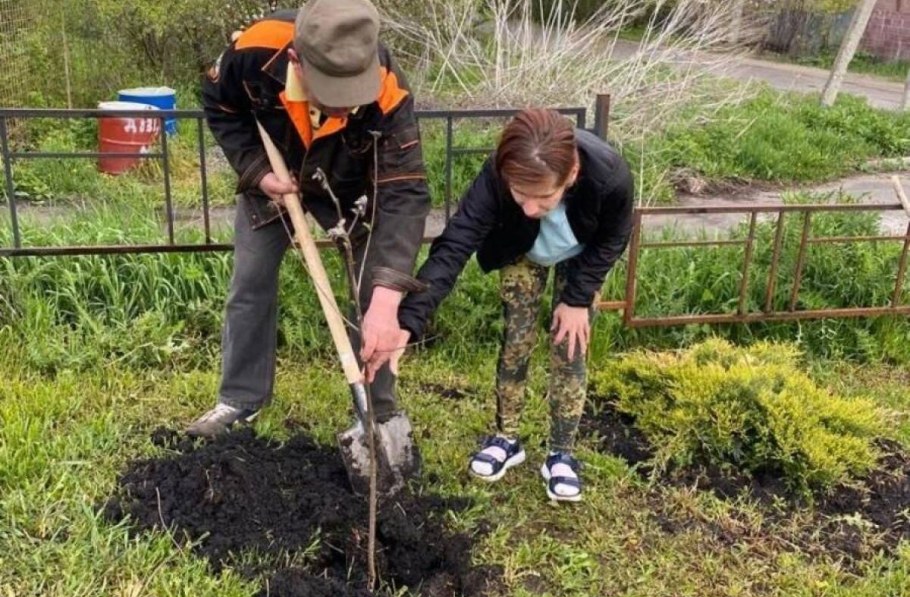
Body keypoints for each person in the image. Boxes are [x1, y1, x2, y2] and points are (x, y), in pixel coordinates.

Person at [187, 0, 430, 438]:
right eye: (331, 93)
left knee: (375, 295)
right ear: (297, 60)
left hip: (348, 188)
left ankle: (377, 413)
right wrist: (258, 172)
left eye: (352, 95)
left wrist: (388, 296)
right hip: (278, 177)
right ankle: (239, 399)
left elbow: (405, 191)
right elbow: (221, 107)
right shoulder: (255, 52)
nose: (342, 110)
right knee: (250, 282)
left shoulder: (389, 88)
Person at [370, 108, 633, 502]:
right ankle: (507, 438)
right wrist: (408, 320)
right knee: (515, 341)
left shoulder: (609, 176)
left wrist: (577, 298)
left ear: (571, 176)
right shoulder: (496, 175)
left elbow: (615, 235)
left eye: (543, 198)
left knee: (570, 348)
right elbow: (454, 246)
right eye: (519, 195)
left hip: (583, 257)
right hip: (521, 250)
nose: (529, 208)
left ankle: (562, 453)